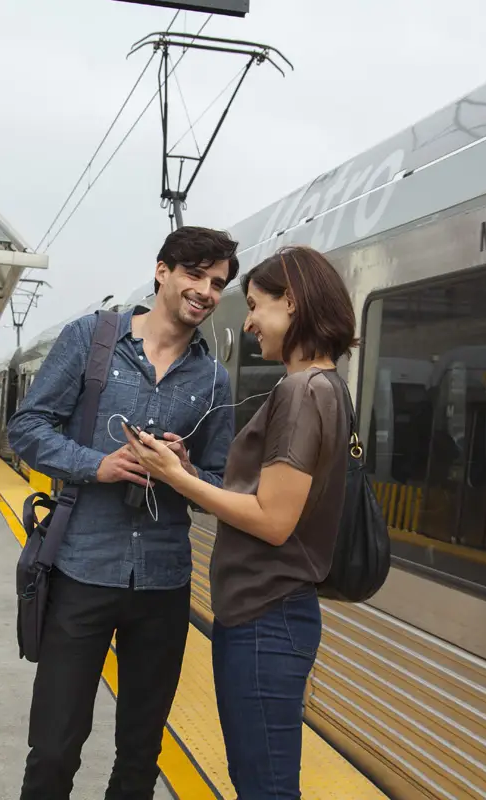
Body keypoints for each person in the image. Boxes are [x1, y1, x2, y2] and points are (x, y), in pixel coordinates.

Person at [6, 225, 239, 800]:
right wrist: (96, 466)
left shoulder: (214, 379)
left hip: (163, 583)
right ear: (161, 270)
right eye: (194, 274)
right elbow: (27, 427)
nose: (205, 291)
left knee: (140, 753)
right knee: (55, 747)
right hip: (82, 570)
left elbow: (220, 482)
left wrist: (183, 474)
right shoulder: (91, 340)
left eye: (217, 283)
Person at [123, 245, 357, 799]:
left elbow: (273, 520)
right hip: (270, 615)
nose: (247, 322)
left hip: (264, 618)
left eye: (254, 305)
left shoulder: (302, 392)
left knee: (265, 787)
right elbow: (273, 498)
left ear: (292, 303)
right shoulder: (327, 385)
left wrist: (176, 479)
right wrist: (186, 466)